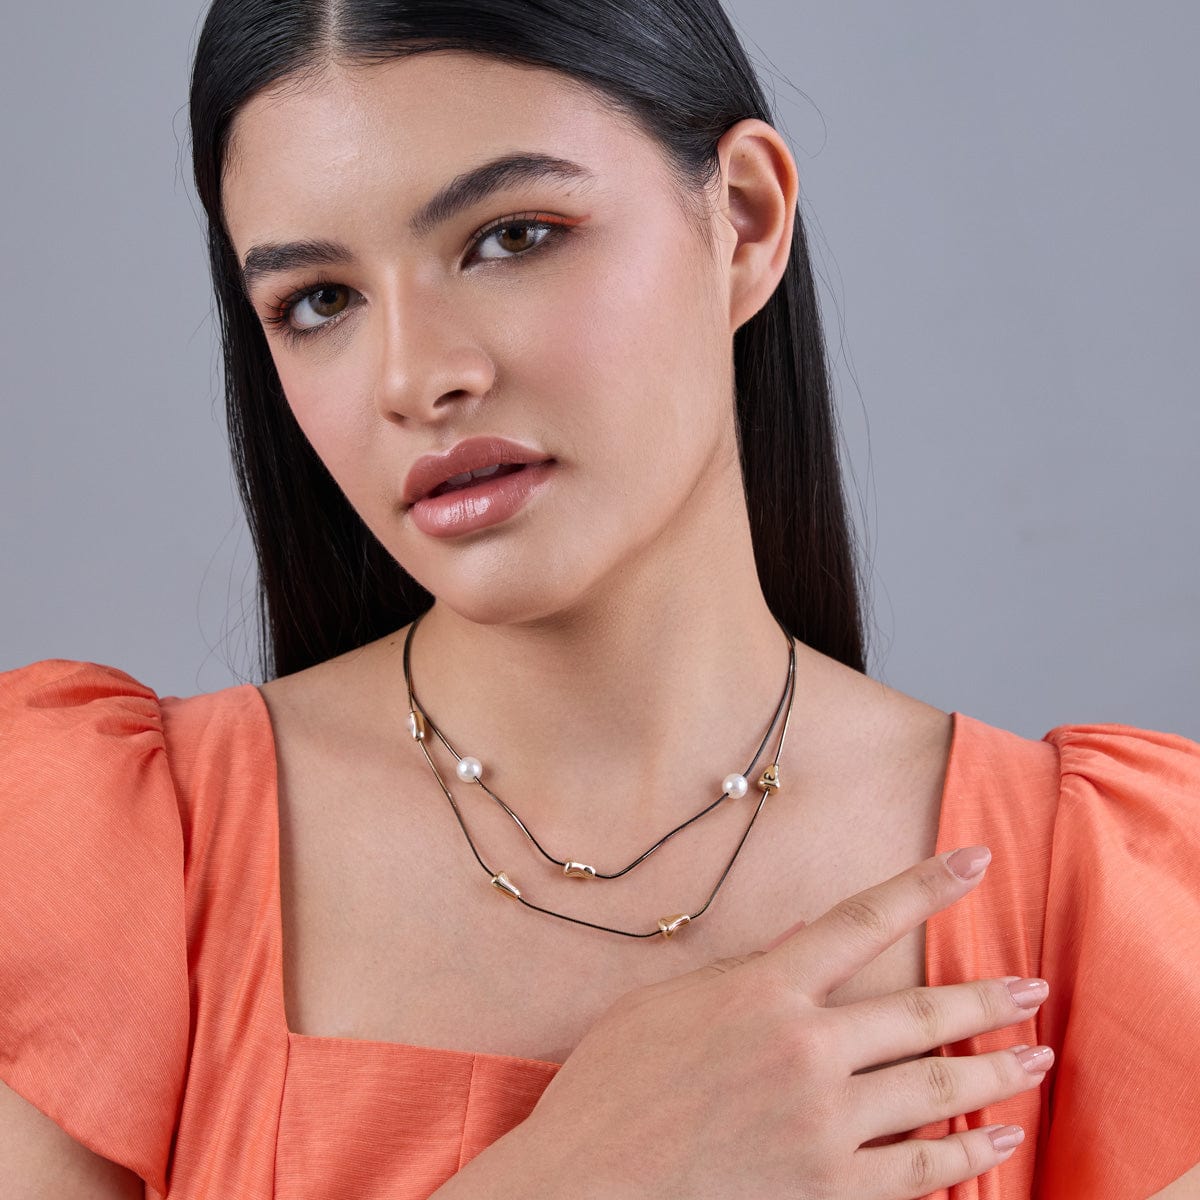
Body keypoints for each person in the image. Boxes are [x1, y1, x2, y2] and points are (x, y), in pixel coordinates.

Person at [1, 1, 1197, 1196]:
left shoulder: (1104, 907)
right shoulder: (92, 857)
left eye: (512, 236)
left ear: (744, 221)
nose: (417, 378)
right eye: (320, 299)